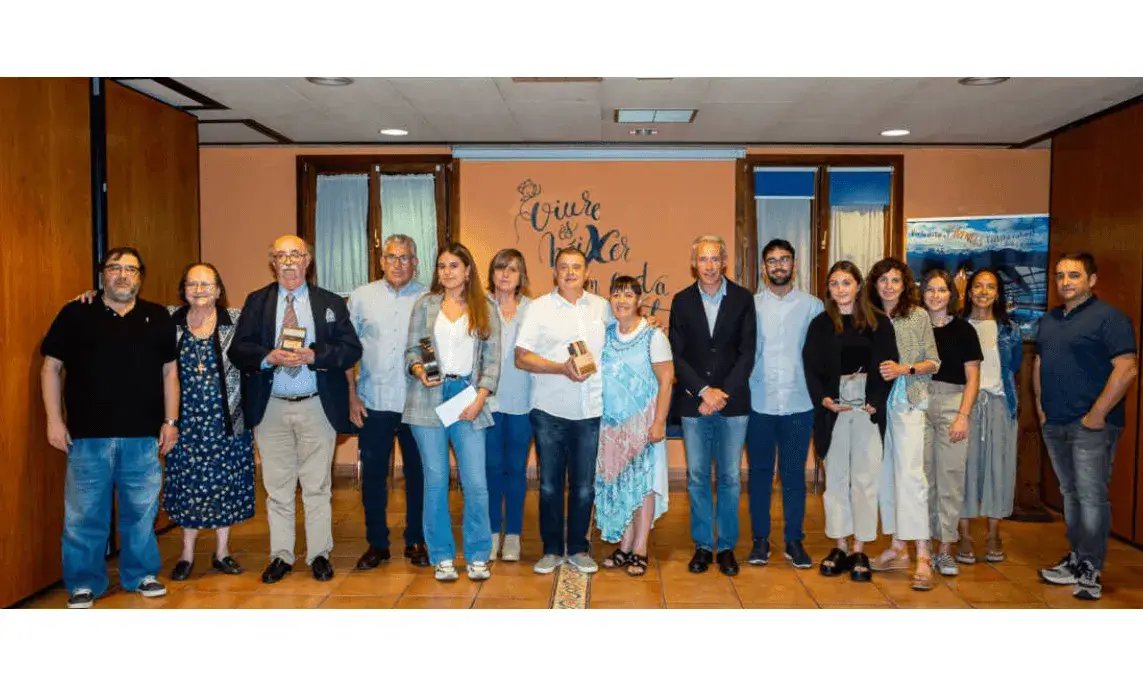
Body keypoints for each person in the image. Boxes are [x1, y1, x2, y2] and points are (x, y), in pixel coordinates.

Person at [41, 247, 179, 609]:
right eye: (114, 267)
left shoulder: (157, 317)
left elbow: (170, 373)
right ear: (103, 274)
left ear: (140, 277)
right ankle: (83, 582)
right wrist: (54, 419)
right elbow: (51, 368)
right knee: (84, 515)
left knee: (141, 513)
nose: (122, 275)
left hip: (143, 437)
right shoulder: (75, 313)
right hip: (88, 437)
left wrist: (170, 421)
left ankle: (142, 574)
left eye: (130, 269)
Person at [228, 235, 363, 584]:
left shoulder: (330, 302)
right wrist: (267, 356)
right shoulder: (257, 301)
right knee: (278, 487)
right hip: (271, 408)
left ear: (307, 261)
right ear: (273, 262)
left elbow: (351, 349)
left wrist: (315, 355)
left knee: (317, 486)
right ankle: (281, 556)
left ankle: (319, 554)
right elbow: (238, 350)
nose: (288, 261)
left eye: (295, 255)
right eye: (281, 255)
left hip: (317, 405)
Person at [1035, 252, 1137, 600]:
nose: (1065, 282)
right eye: (1060, 275)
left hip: (1091, 426)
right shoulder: (1050, 319)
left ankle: (1091, 566)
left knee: (1091, 497)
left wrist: (1096, 415)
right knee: (1071, 494)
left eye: (1074, 275)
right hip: (1055, 422)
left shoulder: (1109, 318)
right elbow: (1040, 363)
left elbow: (1127, 368)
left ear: (1091, 280)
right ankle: (1077, 558)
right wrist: (1041, 408)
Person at [403, 243, 501, 582]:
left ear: (468, 270)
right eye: (442, 266)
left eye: (454, 265)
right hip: (427, 397)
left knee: (476, 482)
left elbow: (492, 360)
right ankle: (442, 556)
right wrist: (419, 370)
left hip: (468, 398)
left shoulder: (485, 307)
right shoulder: (425, 305)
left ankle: (478, 555)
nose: (447, 272)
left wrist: (480, 398)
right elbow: (411, 351)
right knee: (435, 481)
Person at [515, 246, 610, 576]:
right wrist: (561, 368)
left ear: (587, 273)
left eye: (577, 267)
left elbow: (623, 336)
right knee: (550, 486)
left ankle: (580, 549)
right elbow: (521, 357)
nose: (570, 272)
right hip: (549, 410)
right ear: (555, 273)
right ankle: (552, 549)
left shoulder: (602, 307)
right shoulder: (539, 308)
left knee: (584, 487)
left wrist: (647, 324)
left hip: (590, 410)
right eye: (564, 267)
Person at [668, 235, 757, 576]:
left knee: (731, 477)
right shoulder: (681, 301)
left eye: (714, 258)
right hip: (694, 403)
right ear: (694, 263)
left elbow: (747, 353)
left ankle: (727, 547)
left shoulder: (743, 299)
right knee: (698, 477)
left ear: (724, 262)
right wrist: (704, 391)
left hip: (733, 404)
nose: (709, 265)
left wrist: (722, 394)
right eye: (703, 259)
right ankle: (703, 545)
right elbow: (676, 354)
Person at [803, 260, 897, 582]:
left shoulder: (879, 322)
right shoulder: (820, 325)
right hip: (834, 408)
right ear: (828, 290)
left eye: (846, 282)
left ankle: (860, 548)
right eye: (834, 283)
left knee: (865, 480)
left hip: (867, 408)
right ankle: (840, 545)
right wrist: (824, 399)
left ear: (858, 286)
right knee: (836, 480)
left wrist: (876, 401)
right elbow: (810, 367)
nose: (840, 289)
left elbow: (889, 365)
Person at [347, 234, 431, 569]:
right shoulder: (361, 297)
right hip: (374, 400)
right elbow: (347, 351)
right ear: (382, 261)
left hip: (417, 402)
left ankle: (416, 539)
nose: (398, 264)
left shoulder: (430, 297)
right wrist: (351, 395)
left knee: (419, 474)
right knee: (373, 476)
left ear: (415, 262)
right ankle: (377, 543)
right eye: (392, 257)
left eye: (405, 257)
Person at [745, 239, 823, 568]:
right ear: (764, 268)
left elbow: (821, 355)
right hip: (758, 403)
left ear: (794, 264)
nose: (779, 266)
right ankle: (760, 540)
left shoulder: (813, 306)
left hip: (799, 403)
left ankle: (794, 540)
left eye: (785, 259)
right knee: (760, 476)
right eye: (772, 260)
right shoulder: (750, 306)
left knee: (793, 477)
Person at [866, 257, 941, 591]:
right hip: (876, 406)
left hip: (908, 401)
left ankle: (923, 554)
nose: (889, 286)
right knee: (886, 477)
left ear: (905, 284)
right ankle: (898, 548)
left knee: (911, 477)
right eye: (883, 279)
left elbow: (933, 362)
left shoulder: (918, 315)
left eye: (895, 280)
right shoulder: (868, 317)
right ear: (874, 284)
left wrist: (904, 369)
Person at [595, 276, 673, 577]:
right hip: (611, 427)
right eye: (616, 295)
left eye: (628, 295)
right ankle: (625, 546)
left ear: (639, 301)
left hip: (643, 425)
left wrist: (659, 422)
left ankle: (640, 548)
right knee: (620, 485)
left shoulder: (653, 335)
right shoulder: (606, 334)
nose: (622, 301)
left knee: (643, 486)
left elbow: (666, 380)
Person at [920, 269, 982, 577]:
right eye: (930, 289)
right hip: (919, 403)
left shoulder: (964, 330)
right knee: (923, 479)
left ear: (951, 295)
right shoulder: (916, 327)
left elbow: (973, 377)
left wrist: (963, 415)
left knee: (950, 478)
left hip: (952, 403)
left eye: (941, 290)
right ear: (922, 293)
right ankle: (925, 548)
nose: (935, 295)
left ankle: (945, 549)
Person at [959, 268, 1023, 566]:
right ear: (969, 291)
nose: (983, 292)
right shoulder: (957, 327)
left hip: (998, 405)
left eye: (990, 287)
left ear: (998, 294)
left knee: (999, 469)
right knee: (963, 470)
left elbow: (1014, 366)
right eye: (978, 286)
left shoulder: (1010, 330)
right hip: (963, 407)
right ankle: (964, 535)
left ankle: (994, 534)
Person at [484, 248, 534, 562]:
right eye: (500, 267)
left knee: (516, 469)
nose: (505, 274)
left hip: (523, 401)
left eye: (512, 269)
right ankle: (491, 533)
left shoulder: (533, 309)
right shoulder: (479, 306)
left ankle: (513, 535)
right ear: (492, 273)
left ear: (521, 276)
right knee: (490, 468)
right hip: (487, 400)